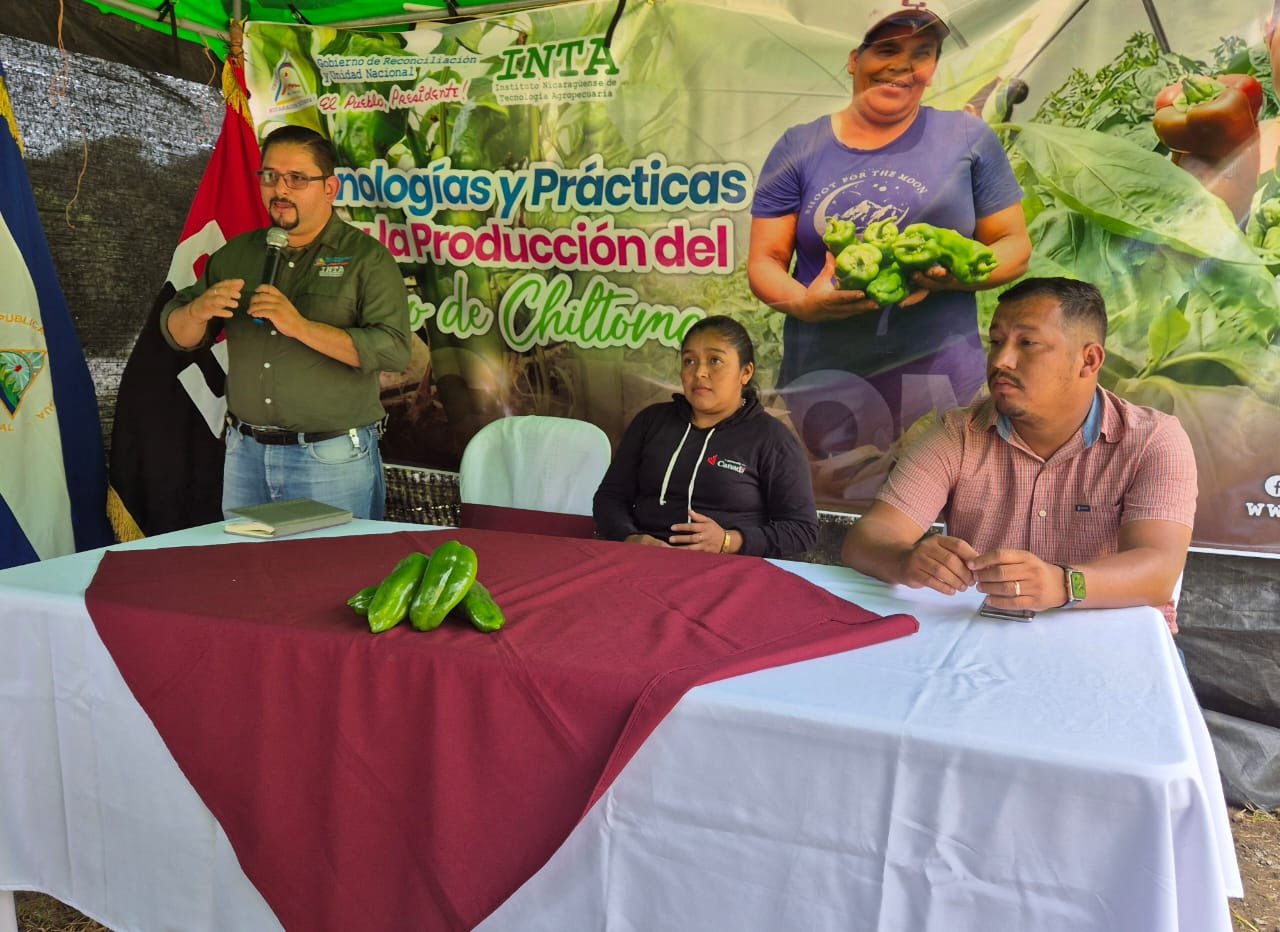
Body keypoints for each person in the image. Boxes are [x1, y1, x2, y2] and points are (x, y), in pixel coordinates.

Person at [841, 277, 1198, 632]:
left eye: (1027, 343)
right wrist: (905, 560)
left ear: (1088, 360)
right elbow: (868, 538)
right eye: (996, 342)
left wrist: (1061, 584)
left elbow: (1158, 572)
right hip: (983, 638)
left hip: (1113, 641)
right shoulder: (959, 433)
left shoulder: (1152, 440)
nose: (1001, 361)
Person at [747, 1, 1031, 446]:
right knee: (827, 482)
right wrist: (804, 304)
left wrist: (953, 276)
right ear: (854, 59)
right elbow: (765, 260)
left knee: (939, 484)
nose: (903, 65)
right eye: (887, 49)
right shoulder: (799, 146)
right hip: (825, 380)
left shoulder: (968, 138)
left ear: (933, 68)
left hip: (940, 379)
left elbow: (1014, 246)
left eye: (922, 53)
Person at [162, 125, 411, 519]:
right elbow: (178, 336)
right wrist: (196, 311)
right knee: (245, 560)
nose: (280, 189)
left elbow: (394, 351)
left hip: (329, 457)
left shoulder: (367, 259)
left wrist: (300, 327)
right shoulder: (237, 254)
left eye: (297, 178)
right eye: (270, 176)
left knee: (330, 561)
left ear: (330, 188)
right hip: (245, 453)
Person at [593, 315, 819, 558]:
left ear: (745, 372)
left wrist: (728, 541)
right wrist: (631, 538)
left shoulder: (772, 438)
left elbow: (802, 530)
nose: (699, 372)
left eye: (715, 360)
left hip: (727, 569)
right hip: (641, 561)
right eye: (689, 361)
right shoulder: (651, 422)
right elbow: (610, 498)